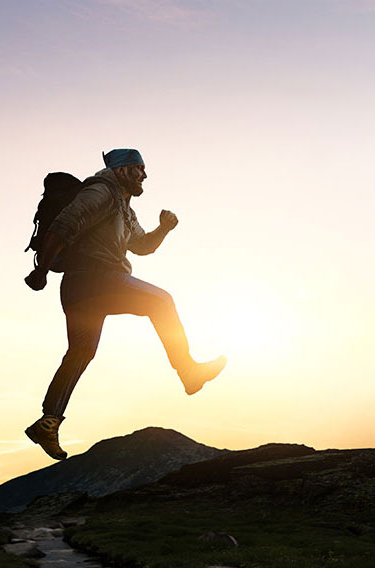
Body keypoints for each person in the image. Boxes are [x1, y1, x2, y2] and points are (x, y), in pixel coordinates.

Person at [23, 148, 226, 460]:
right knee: (162, 301)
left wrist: (164, 229)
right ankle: (188, 372)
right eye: (138, 168)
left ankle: (48, 421)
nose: (144, 175)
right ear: (120, 171)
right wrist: (40, 271)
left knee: (81, 352)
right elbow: (64, 224)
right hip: (97, 279)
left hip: (81, 290)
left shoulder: (123, 207)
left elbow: (142, 246)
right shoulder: (101, 192)